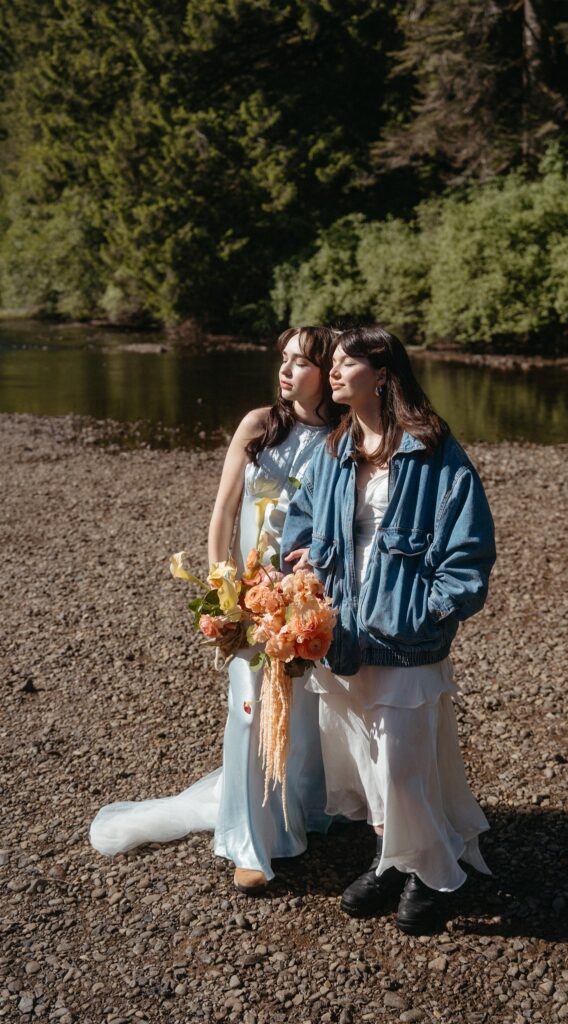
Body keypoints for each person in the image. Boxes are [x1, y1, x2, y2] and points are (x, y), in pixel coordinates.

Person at [90, 326, 340, 895]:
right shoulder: (259, 425)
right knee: (250, 710)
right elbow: (225, 510)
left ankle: (294, 812)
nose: (286, 370)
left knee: (301, 710)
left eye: (300, 362)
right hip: (249, 592)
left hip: (307, 594)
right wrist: (223, 584)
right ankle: (248, 841)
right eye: (283, 359)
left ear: (328, 372)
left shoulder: (341, 437)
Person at [282, 325, 495, 934]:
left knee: (401, 765)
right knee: (364, 761)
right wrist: (302, 564)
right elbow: (301, 523)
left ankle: (434, 875)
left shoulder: (434, 452)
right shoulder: (334, 450)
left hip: (404, 639)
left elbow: (469, 553)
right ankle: (389, 859)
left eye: (349, 362)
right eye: (336, 363)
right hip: (340, 633)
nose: (336, 371)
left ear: (382, 374)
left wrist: (425, 612)